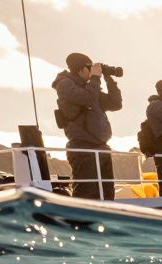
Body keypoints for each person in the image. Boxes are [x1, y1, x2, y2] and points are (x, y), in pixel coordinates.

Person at [53, 52, 122, 200]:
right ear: (81, 69)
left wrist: (109, 78)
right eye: (90, 67)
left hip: (101, 148)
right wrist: (96, 79)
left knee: (107, 194)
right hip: (83, 148)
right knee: (85, 194)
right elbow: (88, 99)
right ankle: (79, 222)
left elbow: (115, 104)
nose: (92, 71)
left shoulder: (91, 87)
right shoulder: (65, 84)